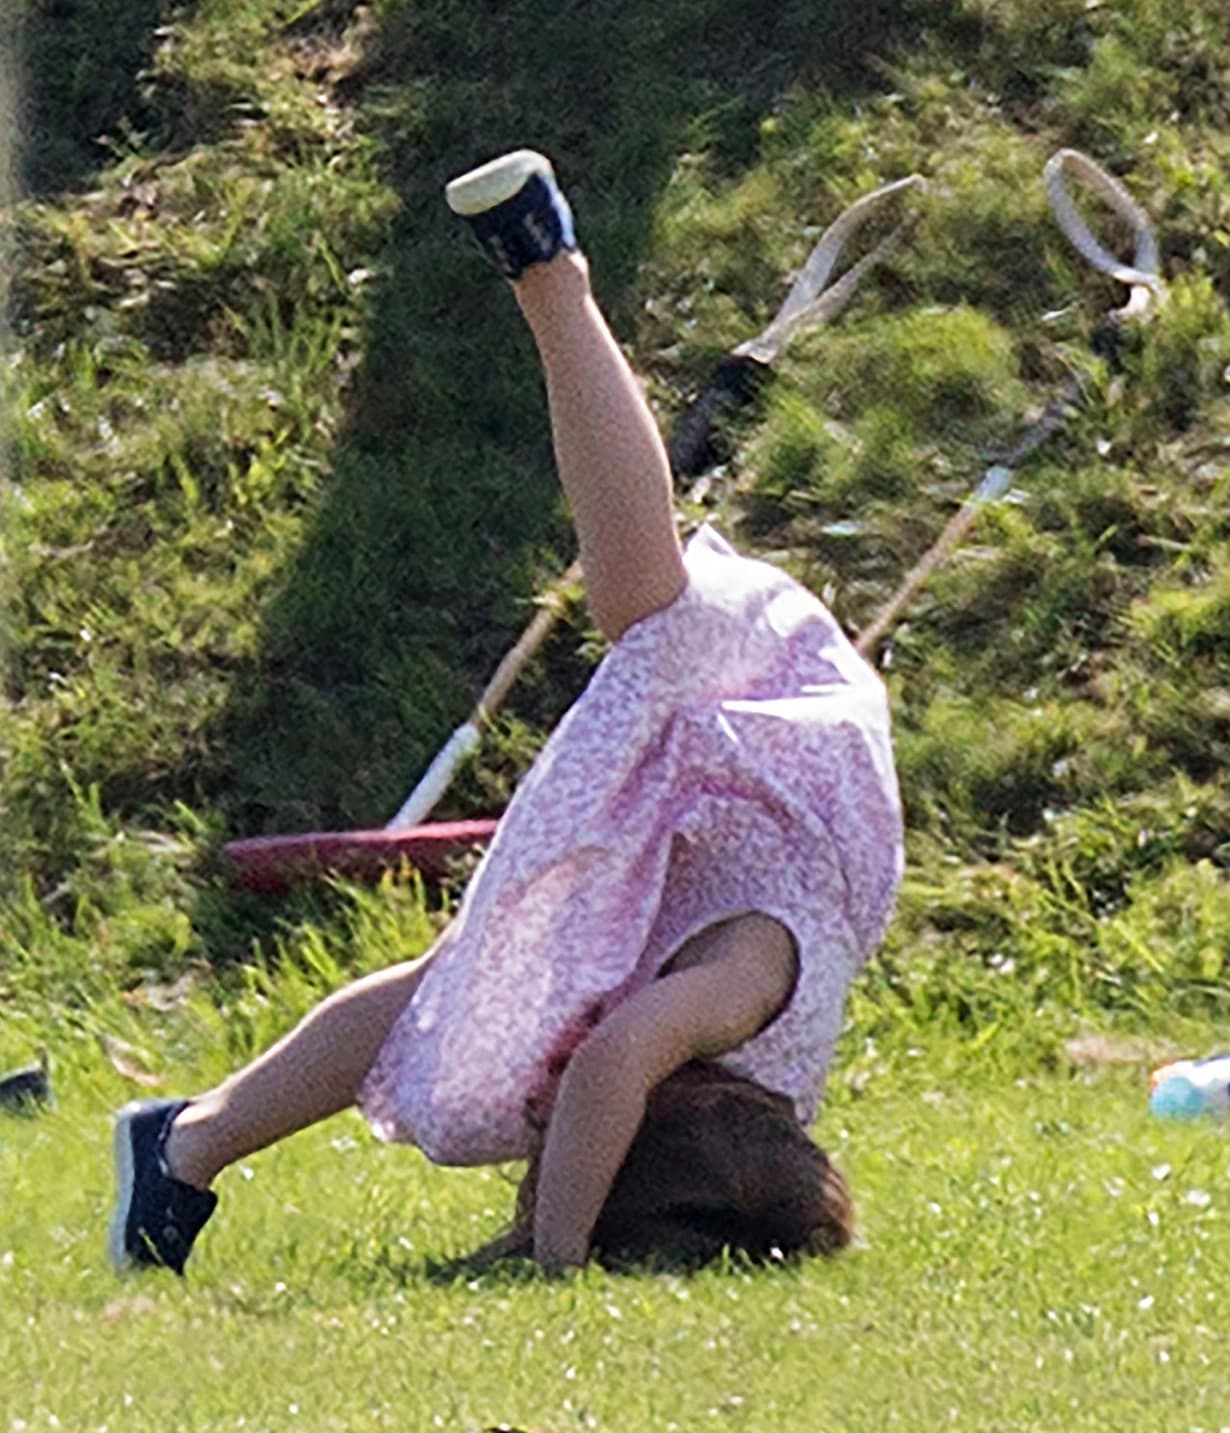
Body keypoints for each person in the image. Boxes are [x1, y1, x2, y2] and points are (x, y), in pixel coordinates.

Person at [109, 150, 904, 1276]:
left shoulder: (700, 1038)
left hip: (700, 839)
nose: (556, 1125)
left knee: (462, 973)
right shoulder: (743, 995)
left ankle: (183, 1143)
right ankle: (550, 275)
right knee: (649, 606)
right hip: (772, 735)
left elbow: (602, 1070)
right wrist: (554, 1251)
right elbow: (610, 1062)